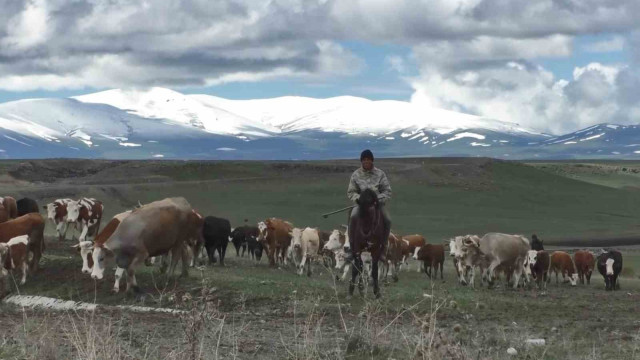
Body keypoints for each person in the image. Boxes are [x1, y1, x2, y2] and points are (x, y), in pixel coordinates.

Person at [346, 149, 392, 260]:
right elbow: (351, 191)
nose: (366, 161)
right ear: (361, 161)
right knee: (352, 217)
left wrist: (377, 199)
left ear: (372, 160)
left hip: (376, 205)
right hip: (361, 205)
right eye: (364, 160)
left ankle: (383, 248)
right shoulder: (356, 174)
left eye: (369, 159)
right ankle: (352, 248)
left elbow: (387, 191)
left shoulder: (380, 174)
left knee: (387, 220)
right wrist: (360, 199)